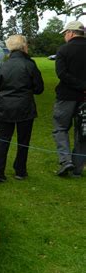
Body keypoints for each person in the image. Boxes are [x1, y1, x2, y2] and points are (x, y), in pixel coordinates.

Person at [0, 35, 44, 183]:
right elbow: (39, 88)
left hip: (4, 107)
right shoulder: (30, 65)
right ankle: (20, 170)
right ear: (23, 46)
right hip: (24, 107)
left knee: (2, 140)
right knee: (23, 140)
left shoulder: (3, 65)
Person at [52, 20, 86, 177]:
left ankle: (66, 161)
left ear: (71, 33)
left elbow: (62, 74)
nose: (65, 36)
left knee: (60, 127)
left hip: (66, 95)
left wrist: (79, 85)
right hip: (84, 97)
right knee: (82, 131)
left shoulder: (64, 50)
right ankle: (77, 168)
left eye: (65, 33)